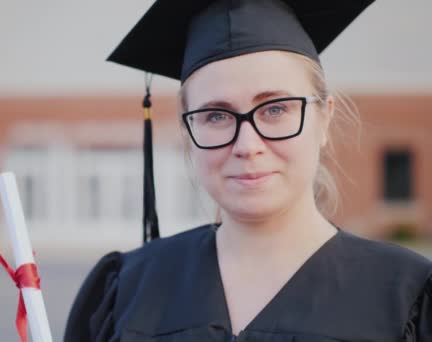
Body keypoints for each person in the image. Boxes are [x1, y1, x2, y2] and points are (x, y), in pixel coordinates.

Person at [64, 0, 432, 340]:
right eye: (216, 115)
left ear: (324, 118)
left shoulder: (406, 295)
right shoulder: (125, 291)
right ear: (187, 132)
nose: (247, 145)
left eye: (275, 109)